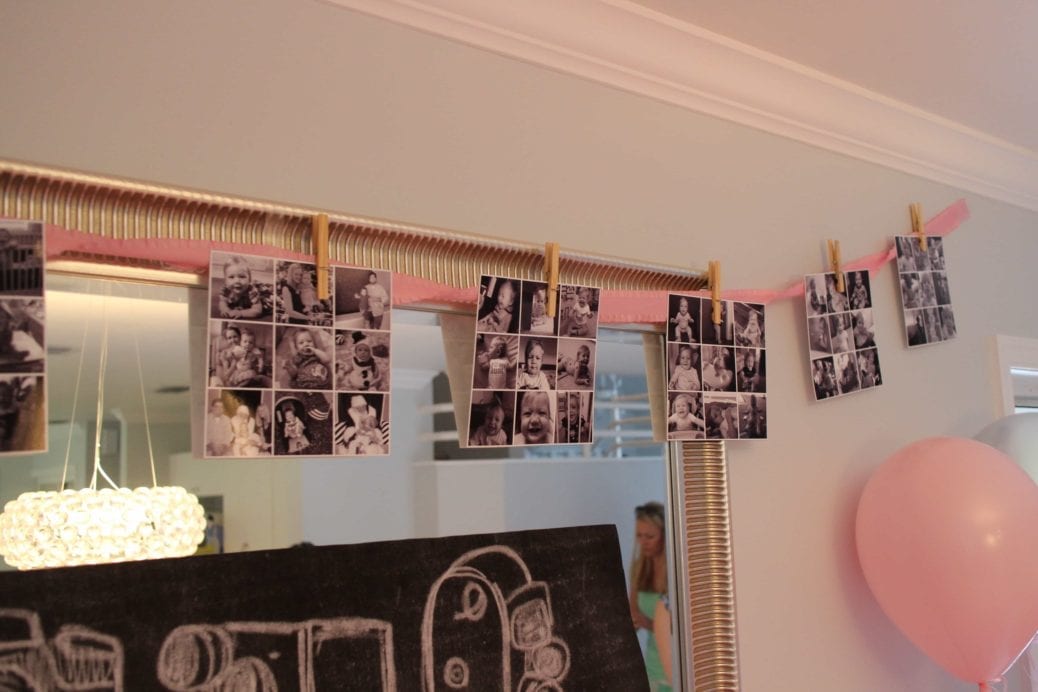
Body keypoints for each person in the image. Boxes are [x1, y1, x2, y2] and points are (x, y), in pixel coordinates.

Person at [629, 502, 671, 692]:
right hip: (652, 669)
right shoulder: (638, 568)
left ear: (664, 535)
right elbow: (633, 613)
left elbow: (684, 628)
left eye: (650, 536)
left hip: (674, 667)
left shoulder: (675, 571)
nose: (643, 542)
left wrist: (650, 623)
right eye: (639, 535)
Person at [217, 255, 265, 320]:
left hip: (262, 293)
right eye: (231, 277)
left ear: (249, 279)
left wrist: (241, 313)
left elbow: (257, 310)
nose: (237, 281)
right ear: (225, 280)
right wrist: (225, 309)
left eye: (242, 276)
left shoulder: (252, 291)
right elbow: (222, 302)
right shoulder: (226, 290)